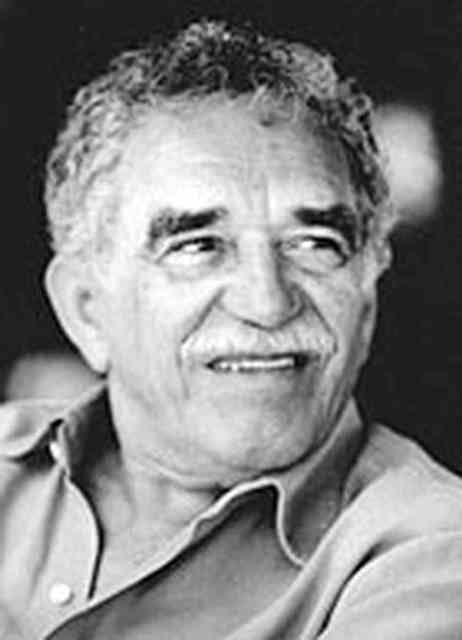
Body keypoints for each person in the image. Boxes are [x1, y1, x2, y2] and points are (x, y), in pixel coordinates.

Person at [1, 19, 462, 640]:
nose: (267, 302)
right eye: (198, 246)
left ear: (366, 296)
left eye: (314, 243)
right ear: (85, 310)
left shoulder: (432, 554)